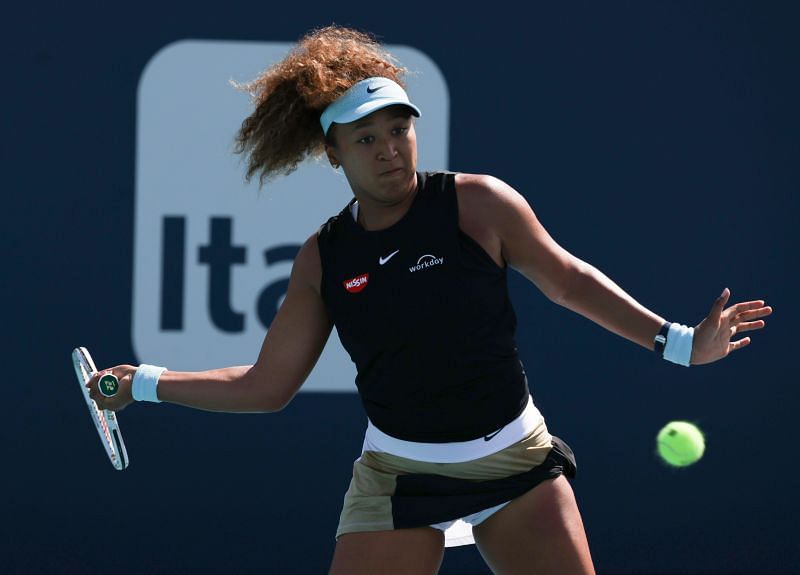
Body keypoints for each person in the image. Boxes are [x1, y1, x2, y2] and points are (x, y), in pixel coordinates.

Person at [88, 25, 772, 575]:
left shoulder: (478, 204)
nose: (389, 149)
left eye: (398, 129)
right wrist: (145, 382)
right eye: (366, 138)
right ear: (334, 154)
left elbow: (568, 279)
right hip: (398, 478)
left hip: (517, 463)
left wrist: (680, 342)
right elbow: (267, 386)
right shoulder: (323, 258)